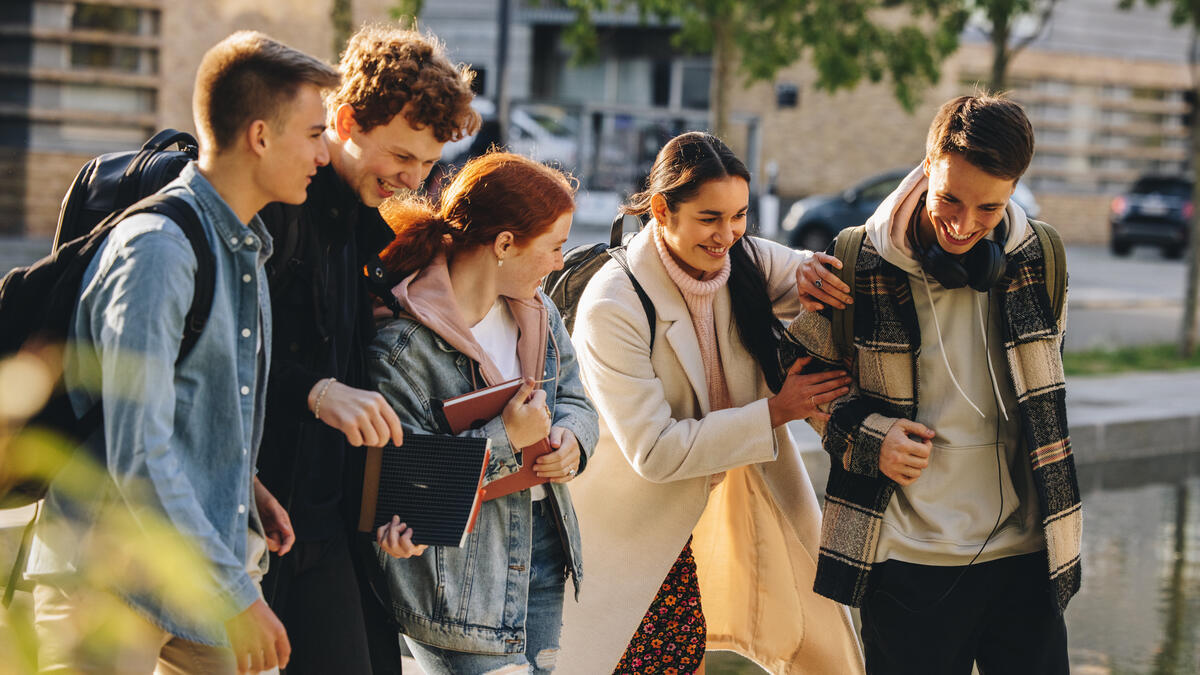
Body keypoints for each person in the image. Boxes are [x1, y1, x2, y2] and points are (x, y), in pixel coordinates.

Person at [25, 31, 339, 673]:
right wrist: (235, 596)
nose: (325, 154)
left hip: (199, 584)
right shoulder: (158, 252)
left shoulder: (247, 251)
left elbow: (188, 405)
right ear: (260, 135)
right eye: (313, 134)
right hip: (106, 589)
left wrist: (245, 488)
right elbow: (136, 449)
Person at [786, 94, 1081, 674]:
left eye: (989, 208)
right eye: (949, 197)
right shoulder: (855, 259)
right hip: (905, 566)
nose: (964, 224)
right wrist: (870, 438)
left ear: (1014, 190)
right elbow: (798, 381)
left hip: (1027, 558)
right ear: (927, 169)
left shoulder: (1042, 256)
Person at [560, 131, 864, 674]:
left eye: (740, 215)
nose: (727, 234)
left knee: (711, 645)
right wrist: (777, 411)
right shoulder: (613, 303)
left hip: (718, 488)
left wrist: (818, 275)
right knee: (661, 655)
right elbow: (653, 452)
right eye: (709, 218)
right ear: (662, 209)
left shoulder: (741, 259)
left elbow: (810, 272)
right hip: (630, 518)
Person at [254, 25, 479, 674]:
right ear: (346, 119)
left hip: (329, 527)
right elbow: (229, 358)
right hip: (264, 519)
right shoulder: (281, 208)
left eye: (428, 165)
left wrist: (387, 514)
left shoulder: (366, 226)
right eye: (401, 157)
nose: (412, 179)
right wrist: (316, 392)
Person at [365, 151, 598, 675]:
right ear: (504, 245)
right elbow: (396, 483)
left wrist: (572, 440)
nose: (561, 262)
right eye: (555, 247)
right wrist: (505, 436)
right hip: (459, 583)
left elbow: (579, 399)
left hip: (544, 551)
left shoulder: (537, 312)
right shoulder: (402, 347)